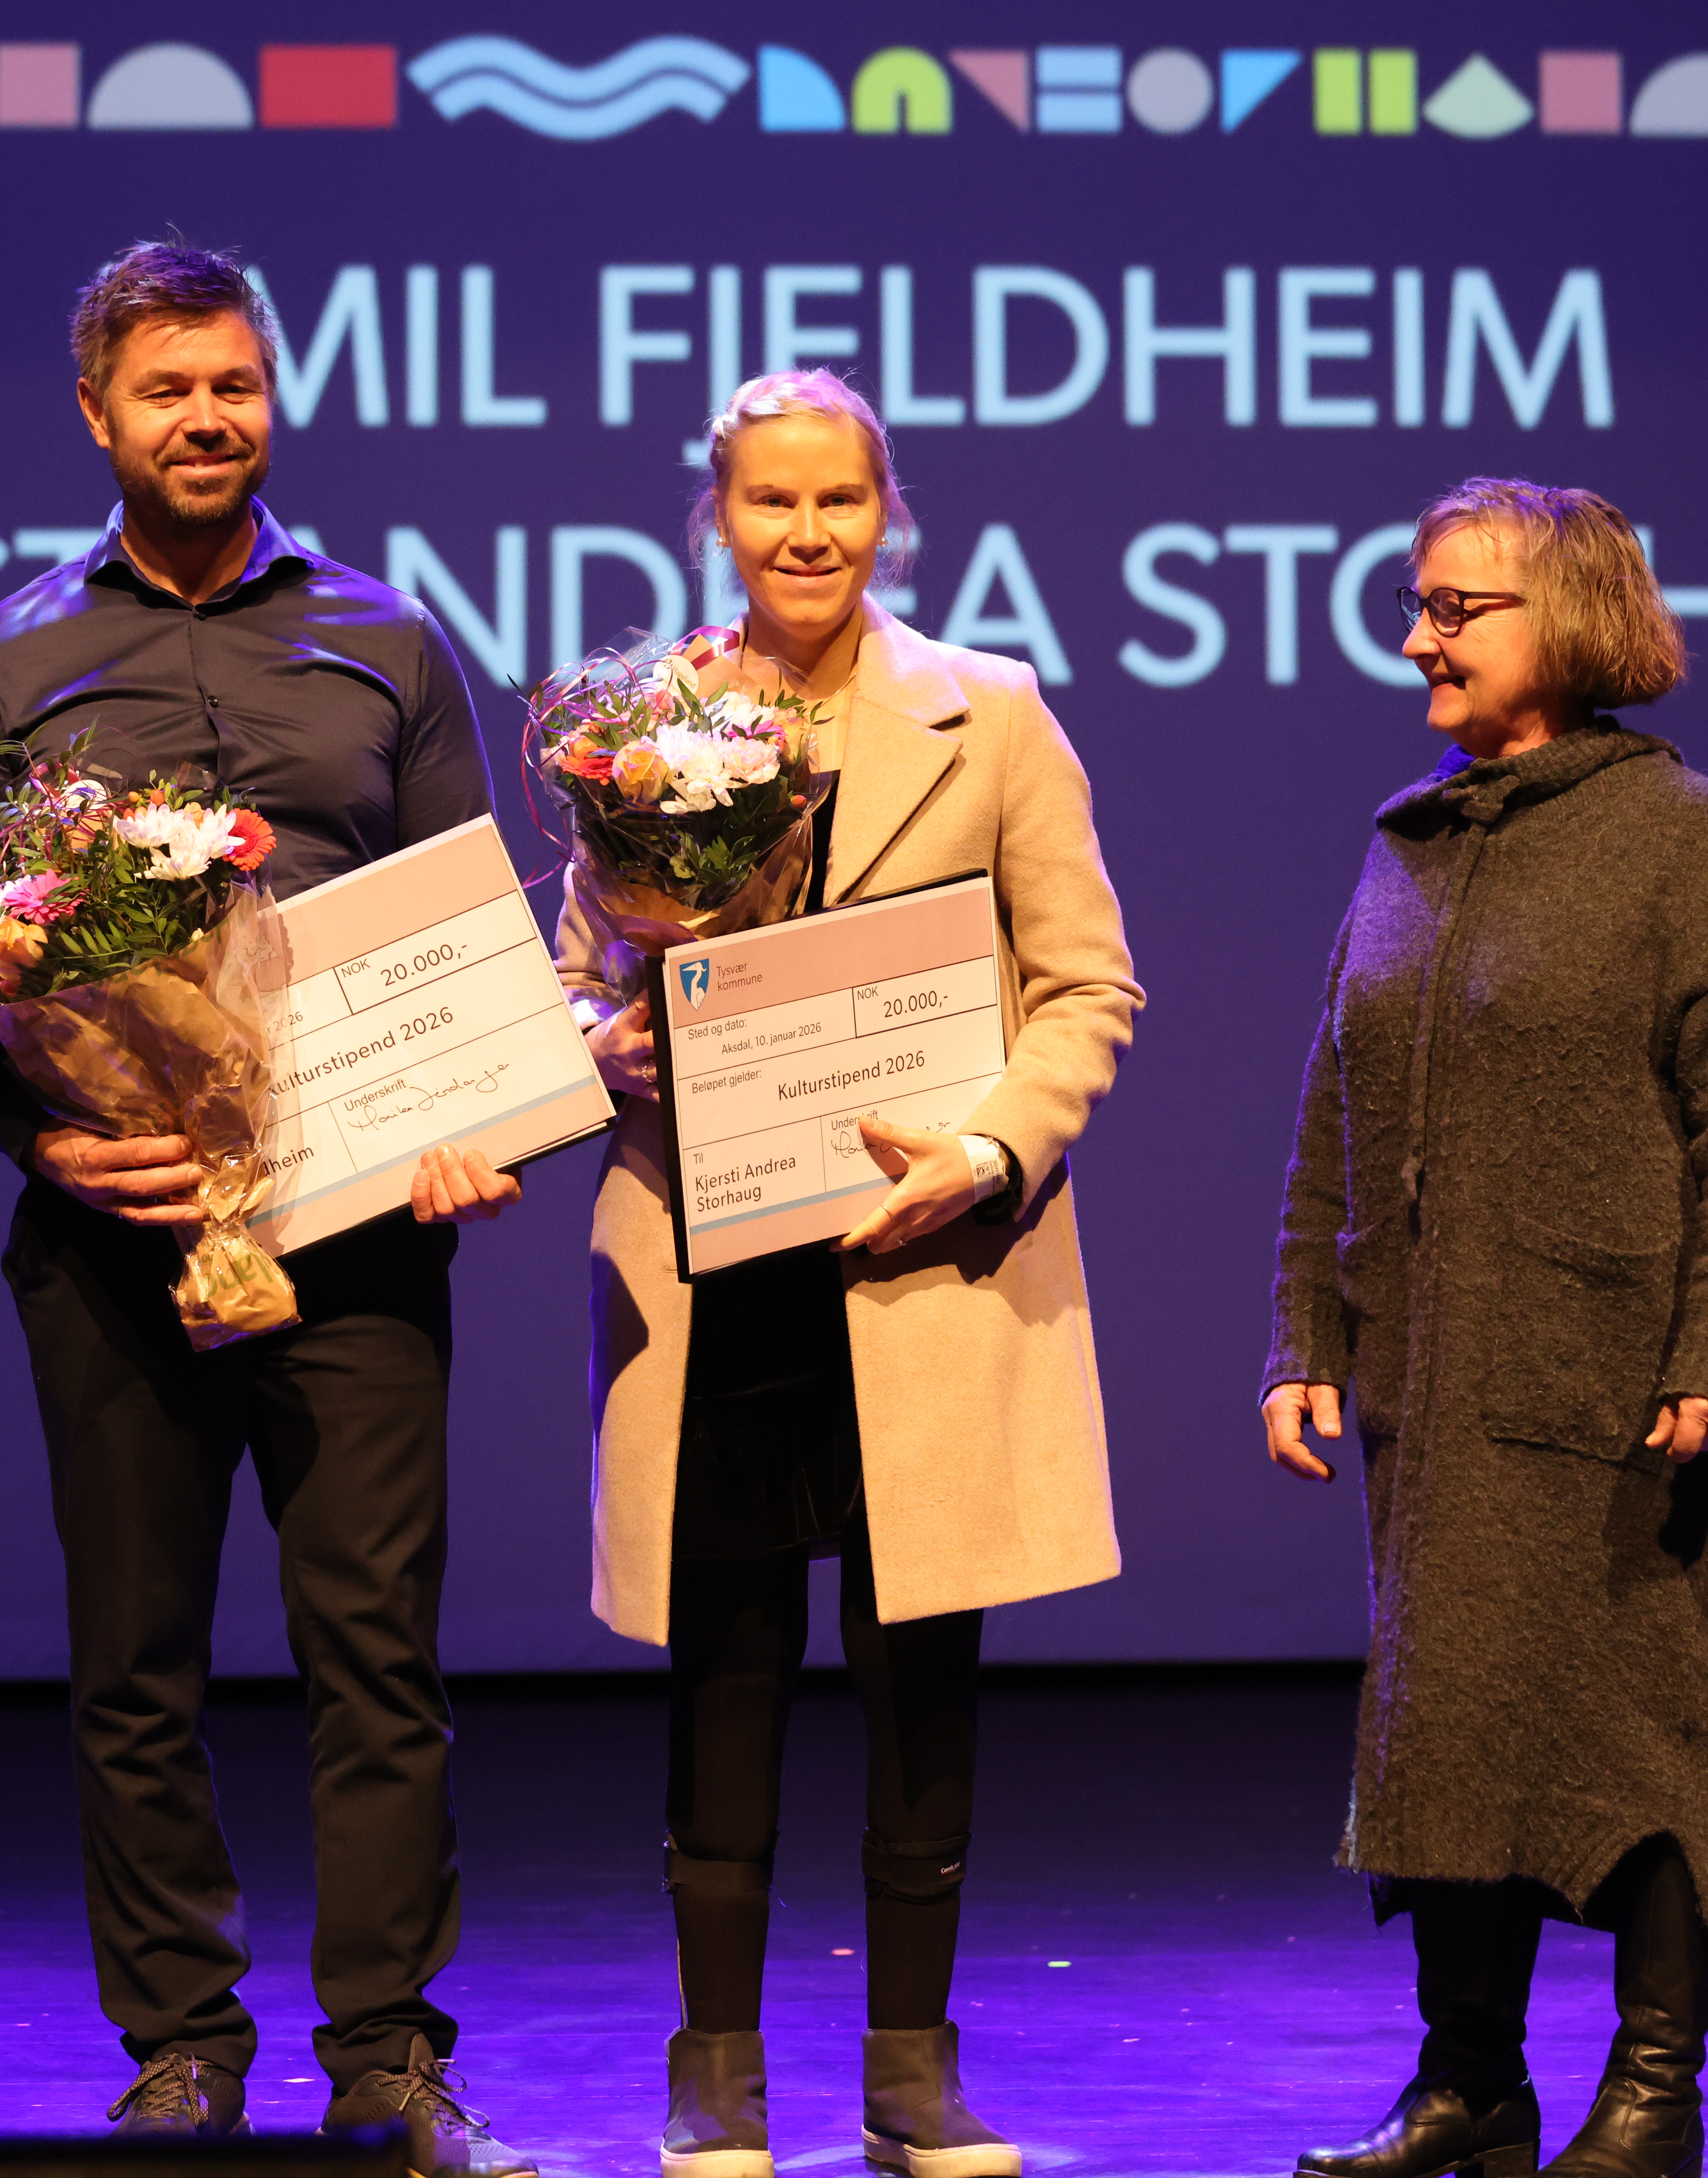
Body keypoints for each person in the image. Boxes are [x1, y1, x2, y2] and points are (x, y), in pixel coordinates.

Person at [0, 242, 535, 2172]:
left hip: (355, 1241)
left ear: (274, 401)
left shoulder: (392, 643)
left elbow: (464, 931)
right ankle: (178, 2037)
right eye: (167, 390)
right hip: (112, 1245)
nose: (205, 419)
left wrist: (469, 1116)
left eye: (234, 386)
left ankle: (386, 2054)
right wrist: (45, 1138)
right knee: (136, 1659)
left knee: (376, 1654)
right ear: (96, 414)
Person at [558, 370, 1142, 2178]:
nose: (805, 532)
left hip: (924, 1263)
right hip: (715, 1269)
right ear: (714, 517)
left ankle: (912, 2073)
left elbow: (1086, 989)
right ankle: (713, 2070)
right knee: (720, 1672)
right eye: (768, 502)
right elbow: (573, 977)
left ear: (889, 513)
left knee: (919, 1681)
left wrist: (984, 1149)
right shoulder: (642, 734)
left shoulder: (996, 717)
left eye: (839, 501)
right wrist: (606, 1049)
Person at [1259, 478, 1708, 2178]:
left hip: (1609, 1386)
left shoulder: (1678, 835)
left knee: (1638, 1728)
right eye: (1416, 603)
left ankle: (1654, 2088)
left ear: (1567, 625)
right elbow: (1330, 1119)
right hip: (1435, 1384)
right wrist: (1303, 1337)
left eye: (1455, 607)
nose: (1417, 634)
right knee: (1448, 1727)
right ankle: (1468, 2085)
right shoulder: (1409, 842)